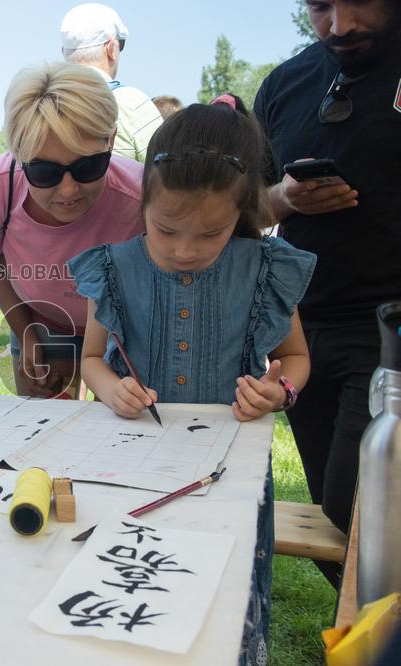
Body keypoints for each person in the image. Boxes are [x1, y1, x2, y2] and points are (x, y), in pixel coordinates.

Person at [70, 100, 317, 666]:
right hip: (134, 461)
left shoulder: (264, 266)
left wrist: (281, 391)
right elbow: (90, 359)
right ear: (143, 203)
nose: (185, 249)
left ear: (244, 211)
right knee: (130, 586)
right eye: (166, 229)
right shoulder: (112, 266)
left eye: (211, 233)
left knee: (220, 602)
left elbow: (296, 357)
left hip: (229, 465)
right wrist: (110, 389)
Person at [253, 0, 401, 577]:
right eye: (319, 6)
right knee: (332, 517)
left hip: (388, 327)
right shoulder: (286, 84)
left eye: (359, 2)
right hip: (304, 329)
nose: (340, 25)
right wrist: (286, 198)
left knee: (356, 504)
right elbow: (245, 206)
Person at [0, 62, 144, 398]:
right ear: (18, 156)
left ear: (111, 140)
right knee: (42, 431)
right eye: (45, 172)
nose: (68, 191)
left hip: (126, 330)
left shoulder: (142, 196)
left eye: (88, 167)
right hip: (46, 321)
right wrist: (27, 333)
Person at [60, 3, 163, 162]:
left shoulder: (46, 105)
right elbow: (167, 171)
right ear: (110, 49)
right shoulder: (132, 102)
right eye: (119, 45)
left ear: (63, 52)